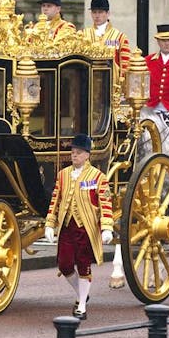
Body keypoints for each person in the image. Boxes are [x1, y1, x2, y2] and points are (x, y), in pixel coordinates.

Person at [43, 134, 113, 320]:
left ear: (87, 155)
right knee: (64, 264)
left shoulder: (98, 177)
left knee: (84, 265)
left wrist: (107, 227)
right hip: (67, 226)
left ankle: (81, 304)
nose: (74, 156)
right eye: (73, 152)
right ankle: (82, 293)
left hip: (86, 228)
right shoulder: (63, 175)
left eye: (79, 153)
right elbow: (55, 201)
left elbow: (105, 203)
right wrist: (50, 223)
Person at [83, 0, 130, 76]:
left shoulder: (119, 37)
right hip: (88, 81)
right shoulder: (83, 35)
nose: (97, 16)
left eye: (100, 12)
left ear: (108, 13)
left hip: (112, 83)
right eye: (94, 12)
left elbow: (125, 67)